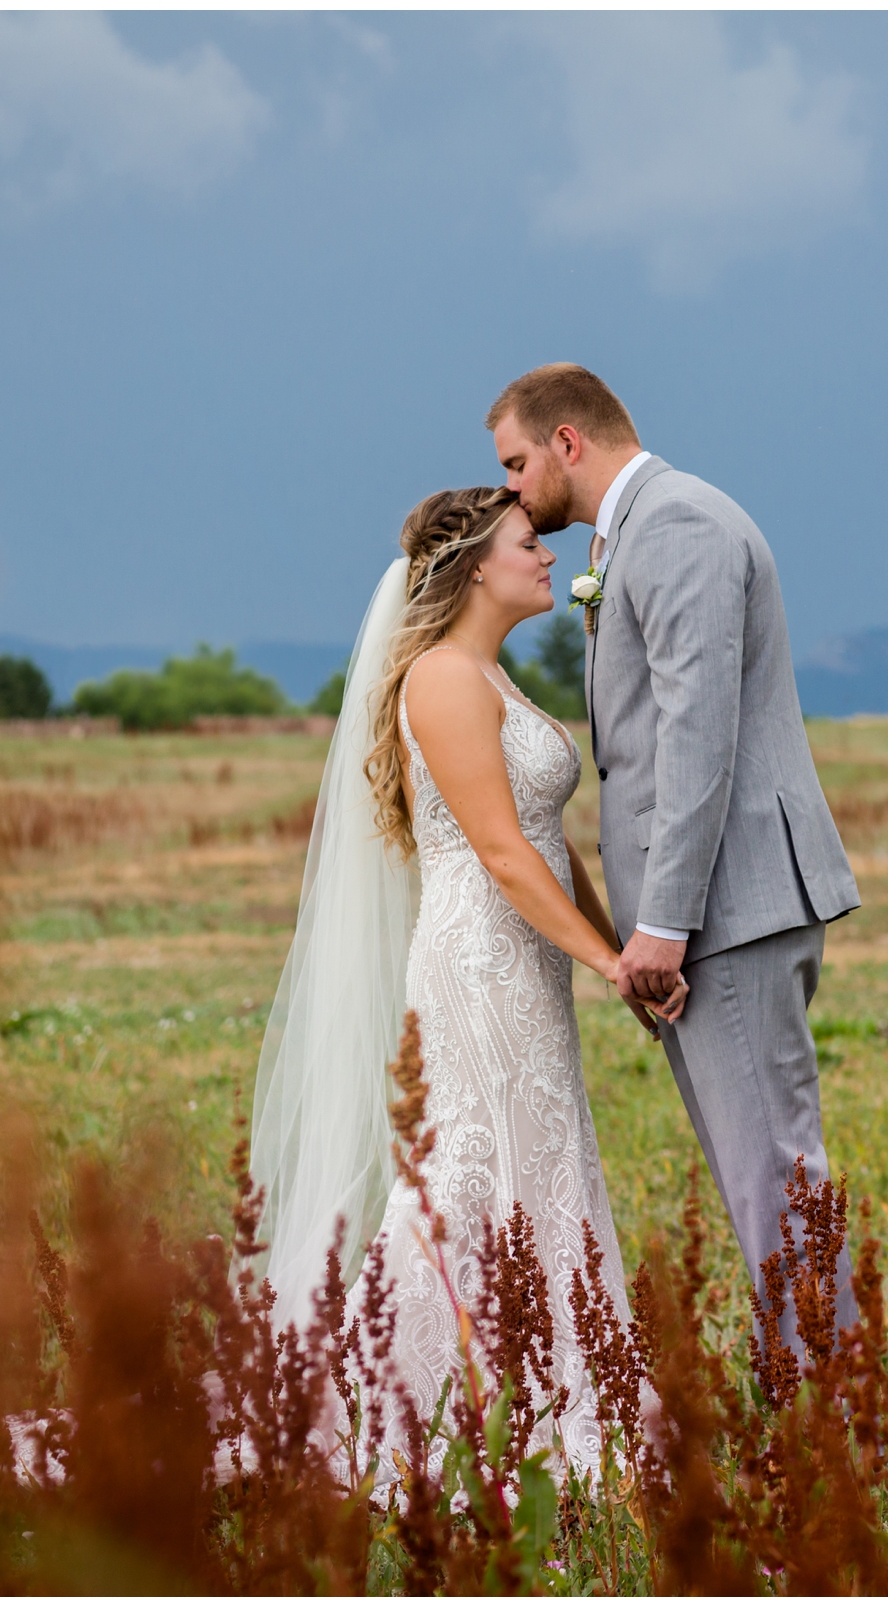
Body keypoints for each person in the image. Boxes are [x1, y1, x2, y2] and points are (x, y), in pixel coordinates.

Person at [248, 485, 675, 1482]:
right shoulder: (442, 676)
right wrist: (610, 963)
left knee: (543, 1161)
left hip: (526, 963)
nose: (547, 559)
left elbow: (549, 845)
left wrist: (624, 953)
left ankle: (548, 1384)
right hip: (475, 962)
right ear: (478, 564)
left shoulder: (492, 673)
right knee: (461, 1177)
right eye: (530, 543)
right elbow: (496, 849)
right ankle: (410, 1398)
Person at [489, 363, 863, 1350]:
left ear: (569, 440)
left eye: (519, 463)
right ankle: (824, 1397)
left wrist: (661, 922)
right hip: (719, 907)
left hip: (725, 907)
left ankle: (842, 1416)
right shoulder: (638, 530)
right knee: (762, 1173)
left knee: (774, 1172)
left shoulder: (679, 524)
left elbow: (699, 729)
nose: (515, 491)